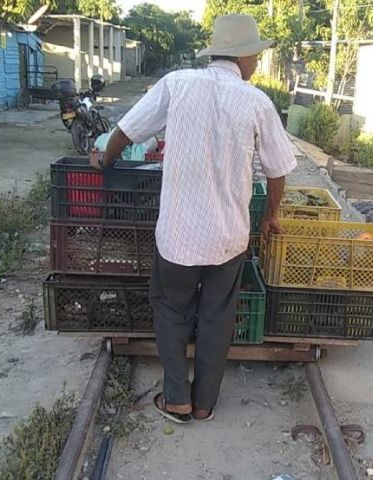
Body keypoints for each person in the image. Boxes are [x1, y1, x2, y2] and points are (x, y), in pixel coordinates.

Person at [92, 14, 297, 423]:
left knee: (171, 309)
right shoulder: (257, 101)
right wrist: (270, 216)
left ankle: (176, 398)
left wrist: (104, 160)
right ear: (244, 57)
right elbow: (278, 170)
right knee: (216, 317)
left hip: (178, 236)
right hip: (228, 239)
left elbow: (127, 131)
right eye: (255, 56)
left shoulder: (176, 84)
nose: (256, 63)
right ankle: (204, 404)